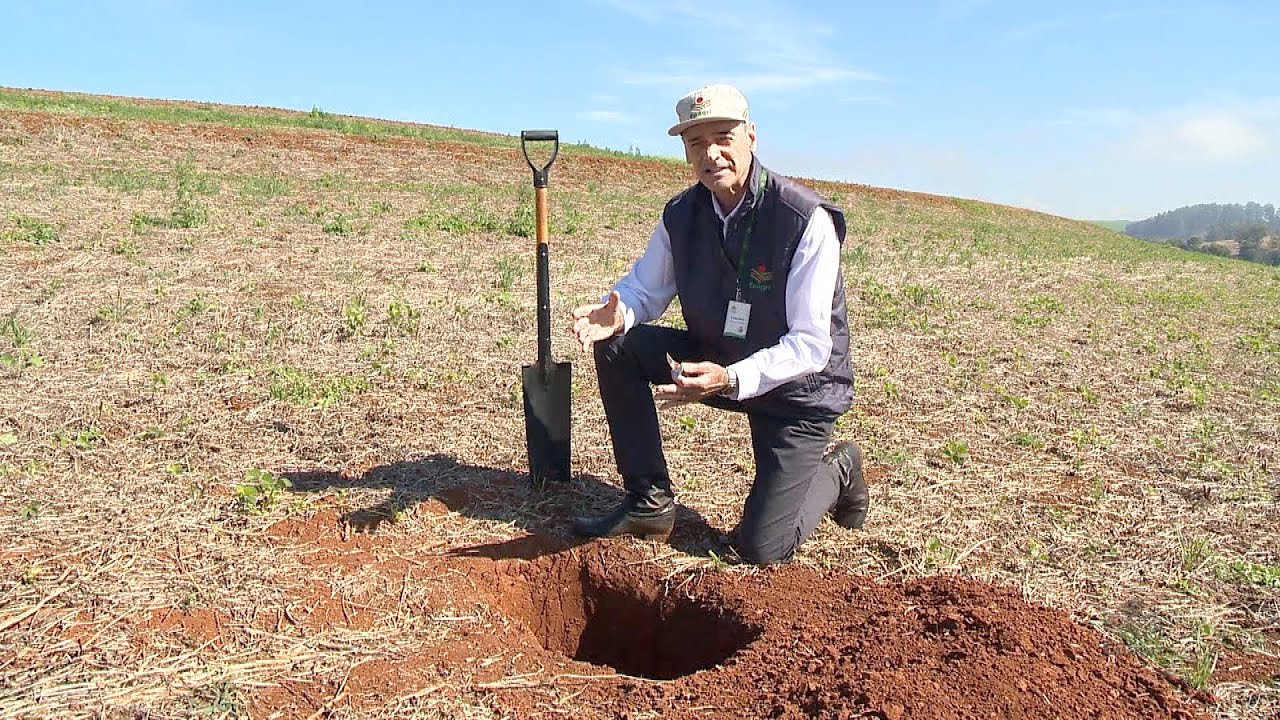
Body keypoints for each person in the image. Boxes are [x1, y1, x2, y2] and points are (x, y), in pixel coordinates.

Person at [568, 83, 869, 565]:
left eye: (723, 136)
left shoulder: (804, 219)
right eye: (695, 142)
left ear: (751, 136)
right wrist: (619, 312)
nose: (711, 153)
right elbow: (649, 287)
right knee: (617, 346)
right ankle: (649, 503)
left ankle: (838, 469)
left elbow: (812, 345)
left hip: (796, 392)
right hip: (721, 357)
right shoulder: (681, 214)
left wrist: (730, 378)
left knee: (760, 550)